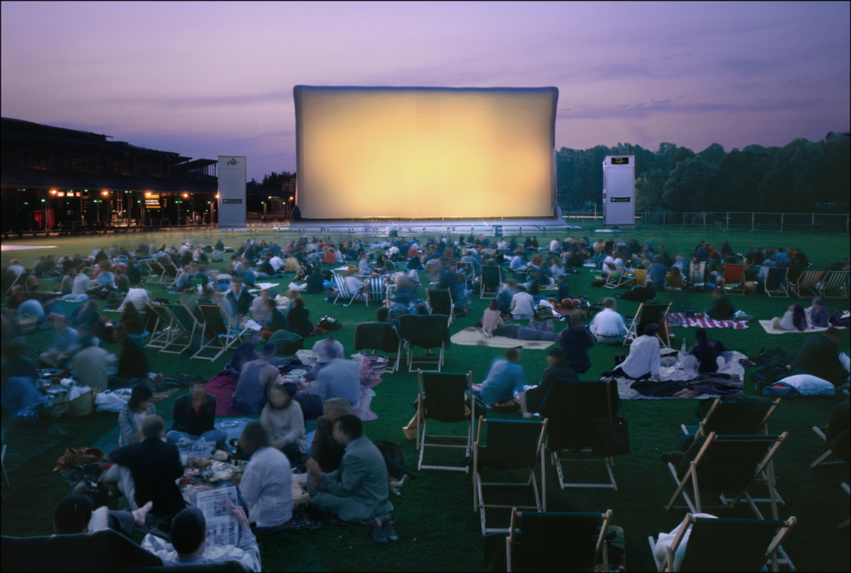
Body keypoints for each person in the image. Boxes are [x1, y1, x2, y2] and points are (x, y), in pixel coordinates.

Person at [305, 415, 396, 544]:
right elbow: (343, 473)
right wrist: (323, 477)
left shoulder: (355, 454)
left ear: (348, 434)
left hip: (368, 503)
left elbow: (344, 491)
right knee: (313, 480)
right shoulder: (362, 442)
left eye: (336, 430)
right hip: (369, 495)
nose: (333, 433)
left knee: (318, 501)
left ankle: (373, 518)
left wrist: (320, 476)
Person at [108, 415, 186, 518]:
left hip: (145, 505)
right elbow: (179, 472)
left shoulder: (133, 450)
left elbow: (112, 456)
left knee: (122, 467)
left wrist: (132, 444)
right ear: (161, 432)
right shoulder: (172, 449)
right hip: (172, 504)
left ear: (143, 432)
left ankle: (110, 488)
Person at [141, 506, 261, 572]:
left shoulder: (158, 560)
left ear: (172, 537)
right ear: (204, 536)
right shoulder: (228, 558)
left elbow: (149, 543)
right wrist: (244, 525)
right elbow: (253, 562)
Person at [238, 421, 293, 529]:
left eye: (243, 437)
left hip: (267, 519)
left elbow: (245, 499)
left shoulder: (256, 464)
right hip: (285, 513)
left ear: (249, 441)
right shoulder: (278, 454)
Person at [53, 494, 153, 538]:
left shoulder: (48, 546)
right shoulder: (98, 540)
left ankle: (136, 515)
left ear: (55, 525)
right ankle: (136, 515)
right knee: (101, 516)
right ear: (86, 525)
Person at [166, 378, 227, 448]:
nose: (200, 390)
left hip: (204, 435)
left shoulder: (211, 399)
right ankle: (193, 443)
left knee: (222, 433)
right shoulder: (180, 401)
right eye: (197, 387)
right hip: (186, 434)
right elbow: (176, 423)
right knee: (170, 434)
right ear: (190, 389)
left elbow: (210, 423)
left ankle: (192, 444)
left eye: (202, 387)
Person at [260, 383, 307, 466]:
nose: (276, 399)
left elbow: (297, 429)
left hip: (293, 442)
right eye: (273, 397)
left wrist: (284, 441)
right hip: (273, 442)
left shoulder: (294, 407)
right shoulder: (267, 408)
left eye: (279, 396)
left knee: (287, 451)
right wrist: (271, 442)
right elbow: (264, 428)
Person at [478, 348, 532, 417]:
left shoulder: (497, 362)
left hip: (484, 392)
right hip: (496, 399)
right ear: (516, 357)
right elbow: (521, 392)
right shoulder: (517, 369)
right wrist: (525, 412)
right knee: (528, 401)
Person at [525, 347, 580, 413]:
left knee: (526, 401)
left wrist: (528, 393)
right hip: (569, 403)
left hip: (552, 403)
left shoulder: (551, 372)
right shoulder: (570, 370)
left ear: (555, 358)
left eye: (549, 356)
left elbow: (541, 390)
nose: (547, 358)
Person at [233, 343, 279, 416]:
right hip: (252, 408)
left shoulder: (246, 364)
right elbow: (267, 391)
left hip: (236, 403)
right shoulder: (273, 370)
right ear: (273, 353)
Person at [310, 397, 354, 472]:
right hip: (325, 456)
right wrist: (313, 459)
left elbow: (348, 448)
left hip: (343, 460)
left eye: (330, 410)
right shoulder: (323, 422)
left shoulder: (350, 423)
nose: (326, 413)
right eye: (328, 410)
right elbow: (317, 443)